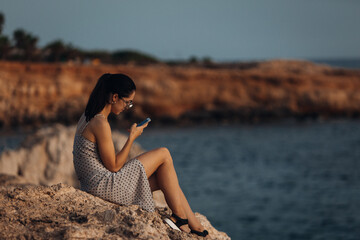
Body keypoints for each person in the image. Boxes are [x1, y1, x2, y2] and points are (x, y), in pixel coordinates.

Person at [72, 73, 208, 237]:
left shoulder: (87, 116)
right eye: (127, 102)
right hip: (103, 186)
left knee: (165, 179)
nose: (127, 107)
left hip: (94, 185)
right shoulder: (100, 123)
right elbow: (114, 166)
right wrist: (132, 138)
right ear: (115, 97)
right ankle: (179, 218)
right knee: (164, 153)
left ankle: (195, 226)